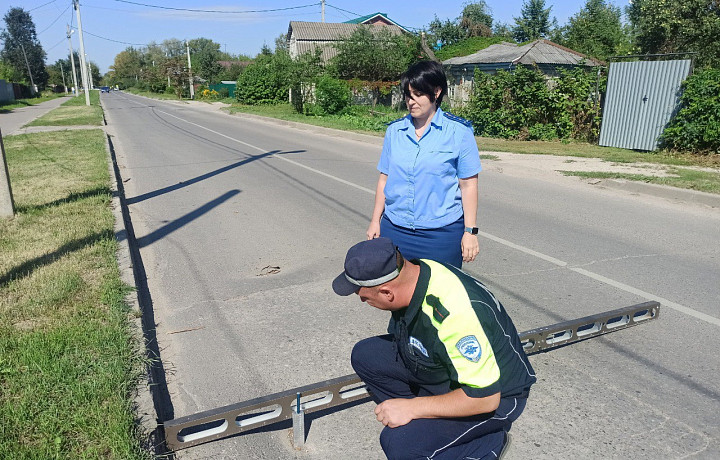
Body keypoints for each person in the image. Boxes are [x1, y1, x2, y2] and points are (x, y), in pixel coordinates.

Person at [333, 237, 536, 459]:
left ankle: (486, 443)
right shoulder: (414, 273)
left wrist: (412, 408)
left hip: (495, 396)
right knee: (367, 356)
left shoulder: (455, 314)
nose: (362, 301)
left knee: (401, 444)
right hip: (445, 367)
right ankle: (432, 426)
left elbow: (485, 397)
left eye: (363, 297)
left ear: (387, 293)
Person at [366, 60, 482, 268]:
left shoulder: (459, 132)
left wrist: (470, 232)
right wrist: (376, 221)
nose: (411, 101)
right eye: (408, 95)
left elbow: (468, 185)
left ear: (436, 92)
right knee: (397, 297)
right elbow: (384, 179)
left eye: (418, 94)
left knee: (439, 297)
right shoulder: (395, 132)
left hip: (441, 235)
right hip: (395, 231)